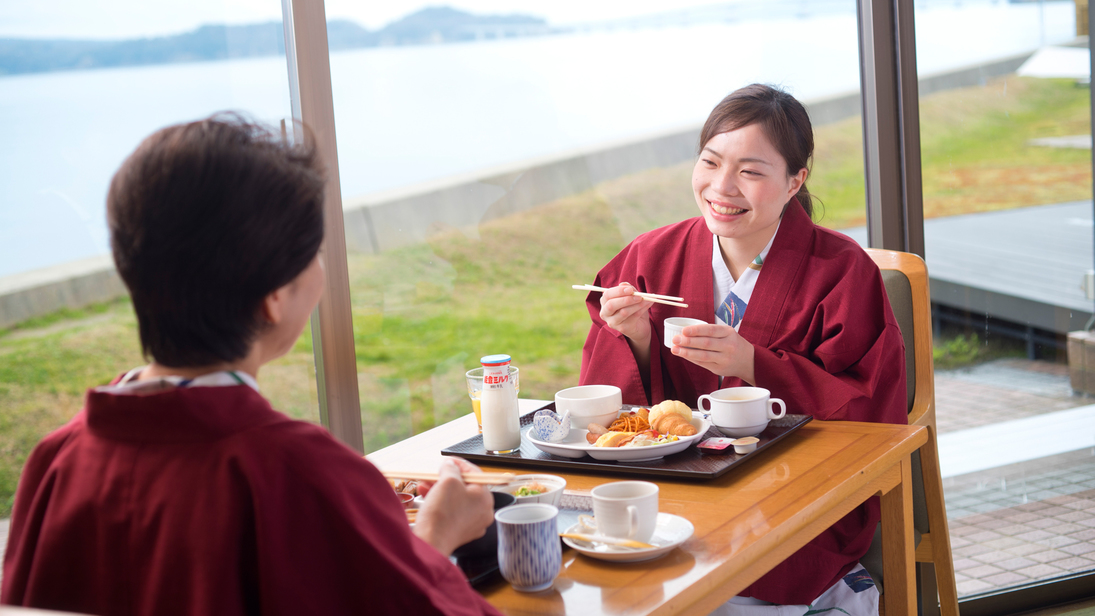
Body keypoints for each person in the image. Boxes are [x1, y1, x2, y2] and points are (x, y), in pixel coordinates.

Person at [1, 115, 502, 616]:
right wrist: (437, 534)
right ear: (275, 298)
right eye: (316, 253)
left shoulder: (56, 458)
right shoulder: (298, 472)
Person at [579, 84, 908, 614]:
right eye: (710, 162)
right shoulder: (649, 254)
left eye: (751, 172)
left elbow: (869, 408)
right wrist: (635, 337)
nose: (721, 187)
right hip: (673, 482)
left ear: (794, 180)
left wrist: (752, 363)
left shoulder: (842, 271)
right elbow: (609, 410)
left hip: (793, 493)